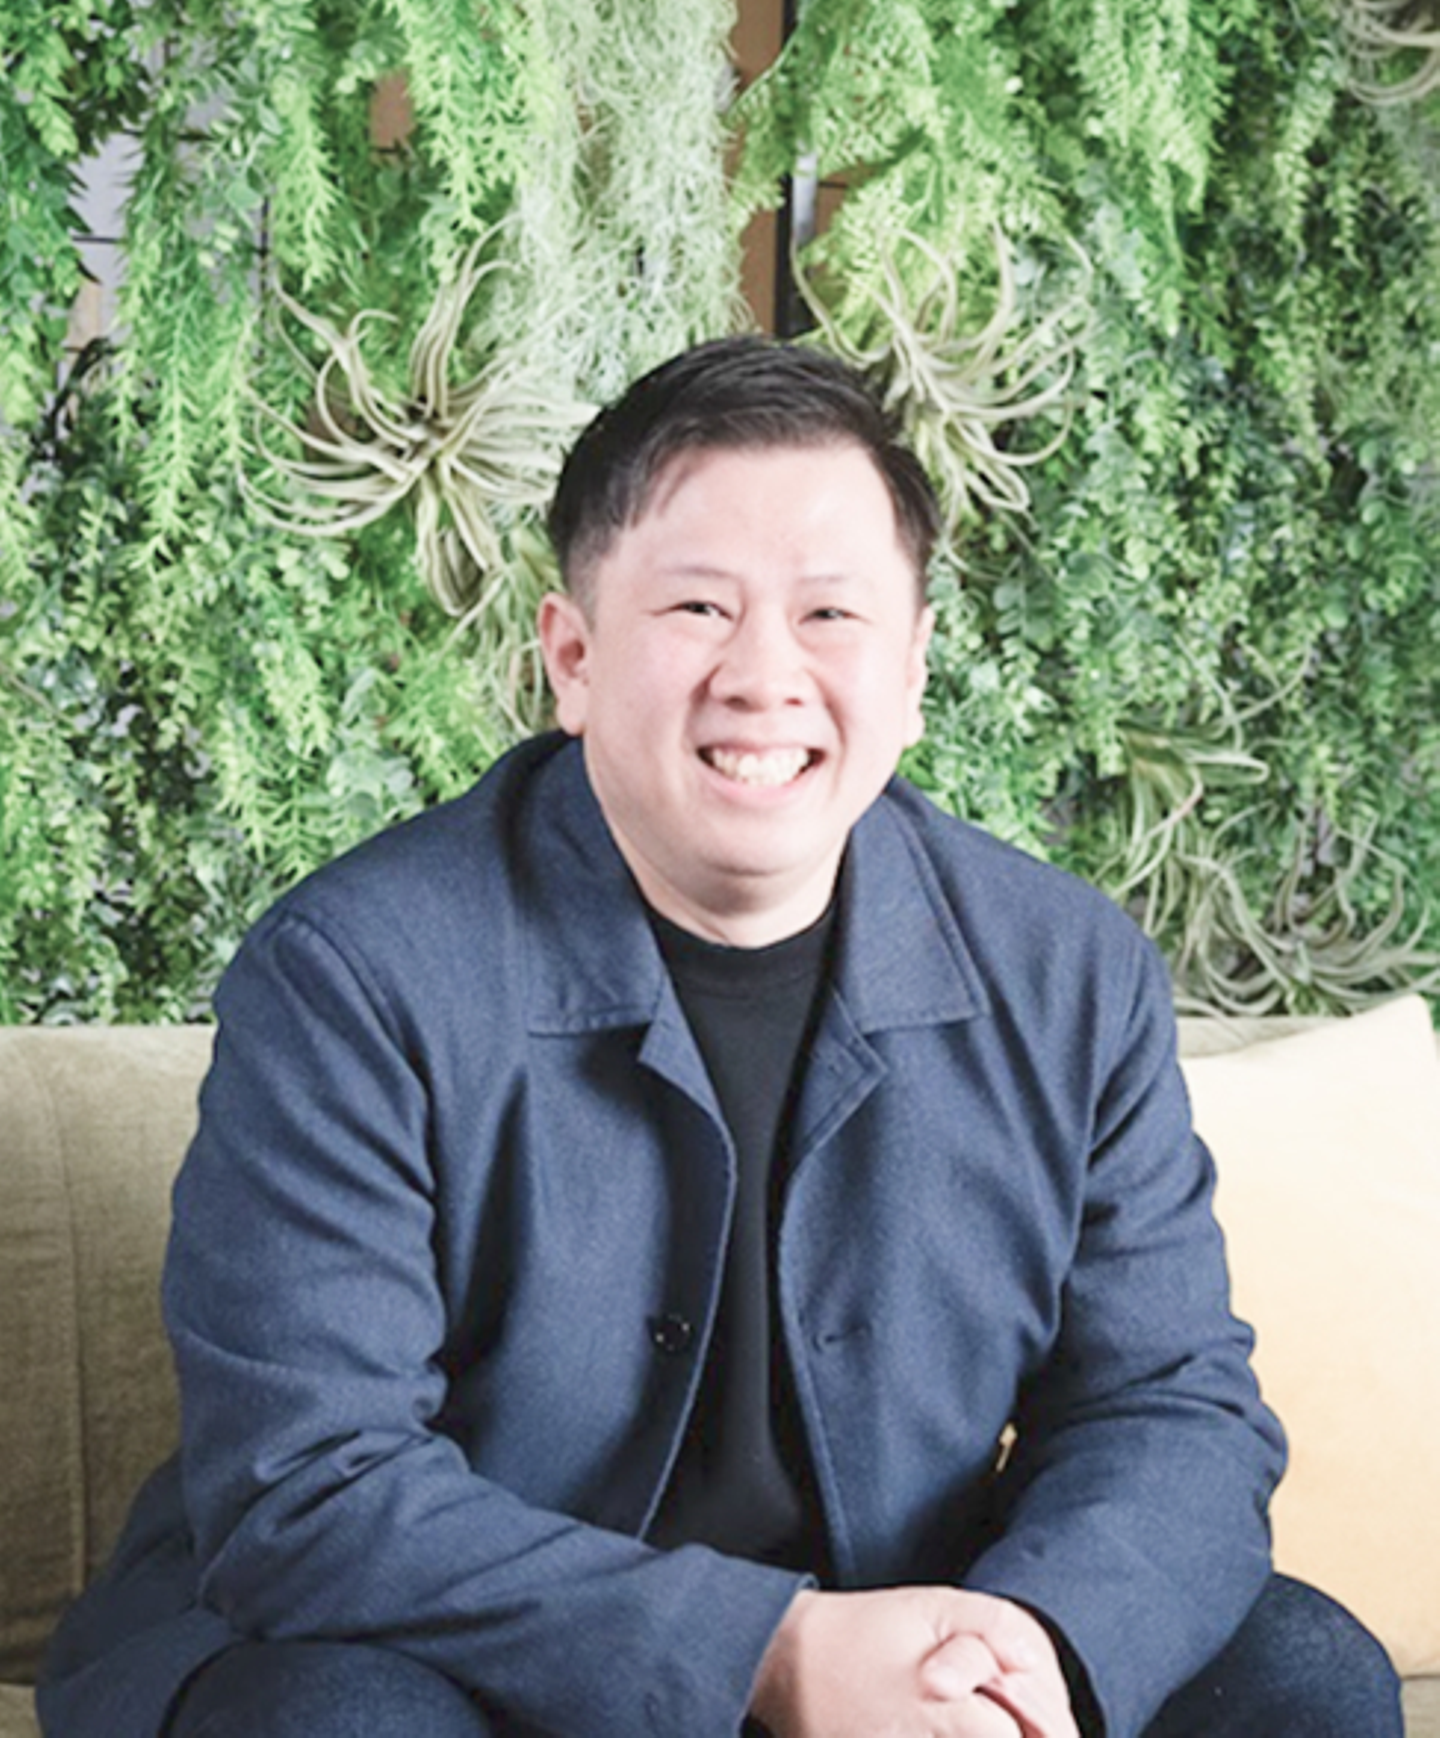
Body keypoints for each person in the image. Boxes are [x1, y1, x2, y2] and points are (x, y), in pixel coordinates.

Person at [40, 337, 1401, 1738]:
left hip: (897, 1632)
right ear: (572, 657)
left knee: (1302, 1676)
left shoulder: (1070, 973)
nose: (764, 676)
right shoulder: (353, 973)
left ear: (914, 668)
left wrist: (1019, 1651)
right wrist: (773, 1654)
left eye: (830, 614)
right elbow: (312, 1484)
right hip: (476, 1657)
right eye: (699, 606)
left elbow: (1170, 1403)